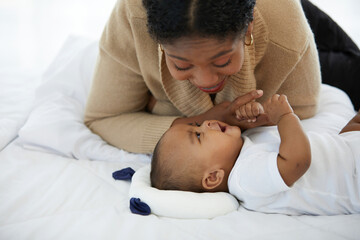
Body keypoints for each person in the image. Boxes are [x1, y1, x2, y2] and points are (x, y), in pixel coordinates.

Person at [84, 0, 322, 154]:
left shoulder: (287, 39)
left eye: (222, 61)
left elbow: (304, 108)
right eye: (181, 64)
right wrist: (204, 118)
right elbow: (104, 119)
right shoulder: (133, 19)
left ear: (248, 29)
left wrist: (160, 108)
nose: (206, 81)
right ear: (157, 43)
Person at [150, 92, 360, 215]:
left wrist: (258, 115)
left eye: (197, 124)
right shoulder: (245, 180)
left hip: (346, 148)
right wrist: (285, 116)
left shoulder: (242, 148)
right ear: (213, 177)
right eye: (198, 135)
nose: (205, 123)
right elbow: (297, 162)